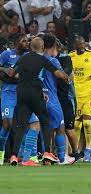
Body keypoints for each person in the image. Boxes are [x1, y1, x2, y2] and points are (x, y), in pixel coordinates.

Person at [7, 37, 69, 166]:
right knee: (44, 121)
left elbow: (12, 73)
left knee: (21, 125)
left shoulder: (23, 58)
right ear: (42, 47)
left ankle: (14, 156)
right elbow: (57, 73)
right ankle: (47, 152)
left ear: (31, 47)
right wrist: (65, 77)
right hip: (35, 92)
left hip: (21, 92)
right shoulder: (42, 59)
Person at [0, 34, 40, 166]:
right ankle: (1, 153)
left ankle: (27, 157)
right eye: (24, 41)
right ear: (16, 42)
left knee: (34, 123)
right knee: (8, 124)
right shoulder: (6, 54)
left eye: (28, 41)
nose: (27, 43)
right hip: (9, 93)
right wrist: (5, 69)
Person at [42, 34, 75, 165]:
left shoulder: (37, 59)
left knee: (46, 128)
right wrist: (69, 76)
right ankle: (62, 158)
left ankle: (46, 156)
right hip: (52, 97)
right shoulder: (53, 61)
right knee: (60, 127)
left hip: (39, 97)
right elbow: (65, 77)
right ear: (54, 45)